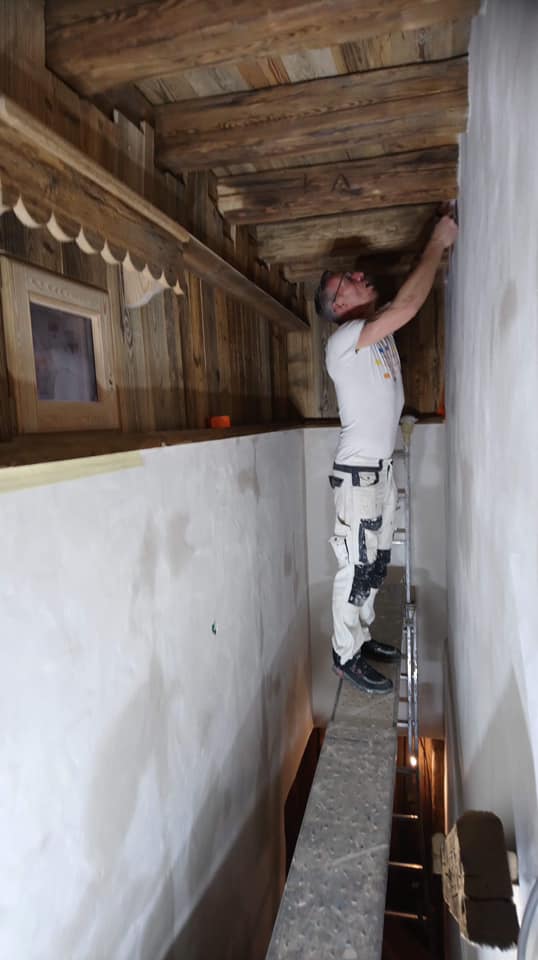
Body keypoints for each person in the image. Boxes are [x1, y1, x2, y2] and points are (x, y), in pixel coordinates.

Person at [314, 213, 457, 694]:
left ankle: (361, 636)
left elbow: (399, 308)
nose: (359, 275)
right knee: (355, 567)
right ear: (338, 306)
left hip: (378, 472)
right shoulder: (343, 341)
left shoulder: (376, 337)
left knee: (375, 564)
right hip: (357, 477)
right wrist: (437, 241)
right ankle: (344, 654)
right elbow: (408, 304)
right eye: (348, 280)